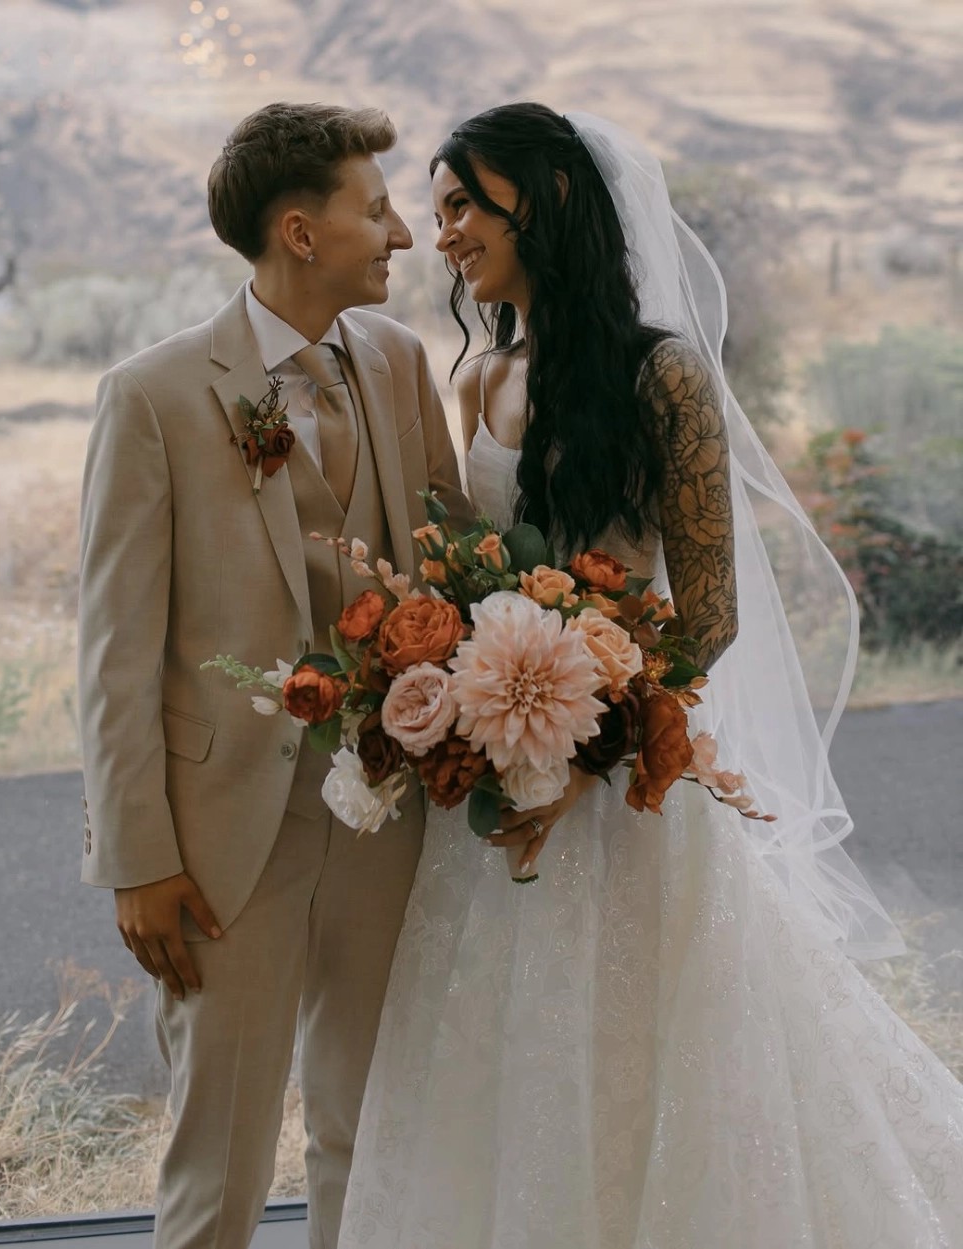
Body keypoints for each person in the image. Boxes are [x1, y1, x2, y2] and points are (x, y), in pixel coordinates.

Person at [337, 103, 963, 1247]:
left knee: (644, 1063)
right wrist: (474, 722)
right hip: (487, 807)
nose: (446, 236)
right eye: (437, 214)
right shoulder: (478, 379)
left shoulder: (660, 375)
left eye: (466, 203)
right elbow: (467, 581)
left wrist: (583, 751)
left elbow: (709, 613)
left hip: (620, 799)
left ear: (552, 199)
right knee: (496, 1070)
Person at [77, 101, 472, 1249]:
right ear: (301, 234)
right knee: (220, 1160)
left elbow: (447, 557)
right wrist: (136, 858)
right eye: (377, 207)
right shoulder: (153, 395)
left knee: (372, 1131)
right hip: (220, 842)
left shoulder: (399, 363)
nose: (402, 234)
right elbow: (113, 649)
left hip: (388, 821)